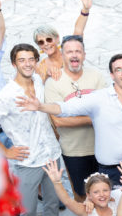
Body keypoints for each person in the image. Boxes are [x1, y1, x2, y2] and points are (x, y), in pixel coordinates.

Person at [0, 44, 72, 216]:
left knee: (51, 201)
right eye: (22, 60)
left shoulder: (38, 82)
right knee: (28, 209)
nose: (27, 64)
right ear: (14, 64)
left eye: (31, 59)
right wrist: (5, 151)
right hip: (27, 161)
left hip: (51, 154)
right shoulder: (6, 95)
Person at [22, 53, 122, 185]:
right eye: (118, 70)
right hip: (111, 170)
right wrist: (40, 106)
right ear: (112, 75)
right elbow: (65, 108)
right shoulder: (99, 98)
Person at [42, 35, 105, 201]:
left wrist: (77, 117)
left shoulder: (96, 76)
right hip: (75, 151)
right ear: (62, 55)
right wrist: (93, 117)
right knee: (83, 194)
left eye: (78, 51)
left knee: (106, 192)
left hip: (102, 147)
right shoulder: (53, 82)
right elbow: (58, 121)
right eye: (69, 52)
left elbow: (107, 109)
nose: (74, 55)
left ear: (84, 54)